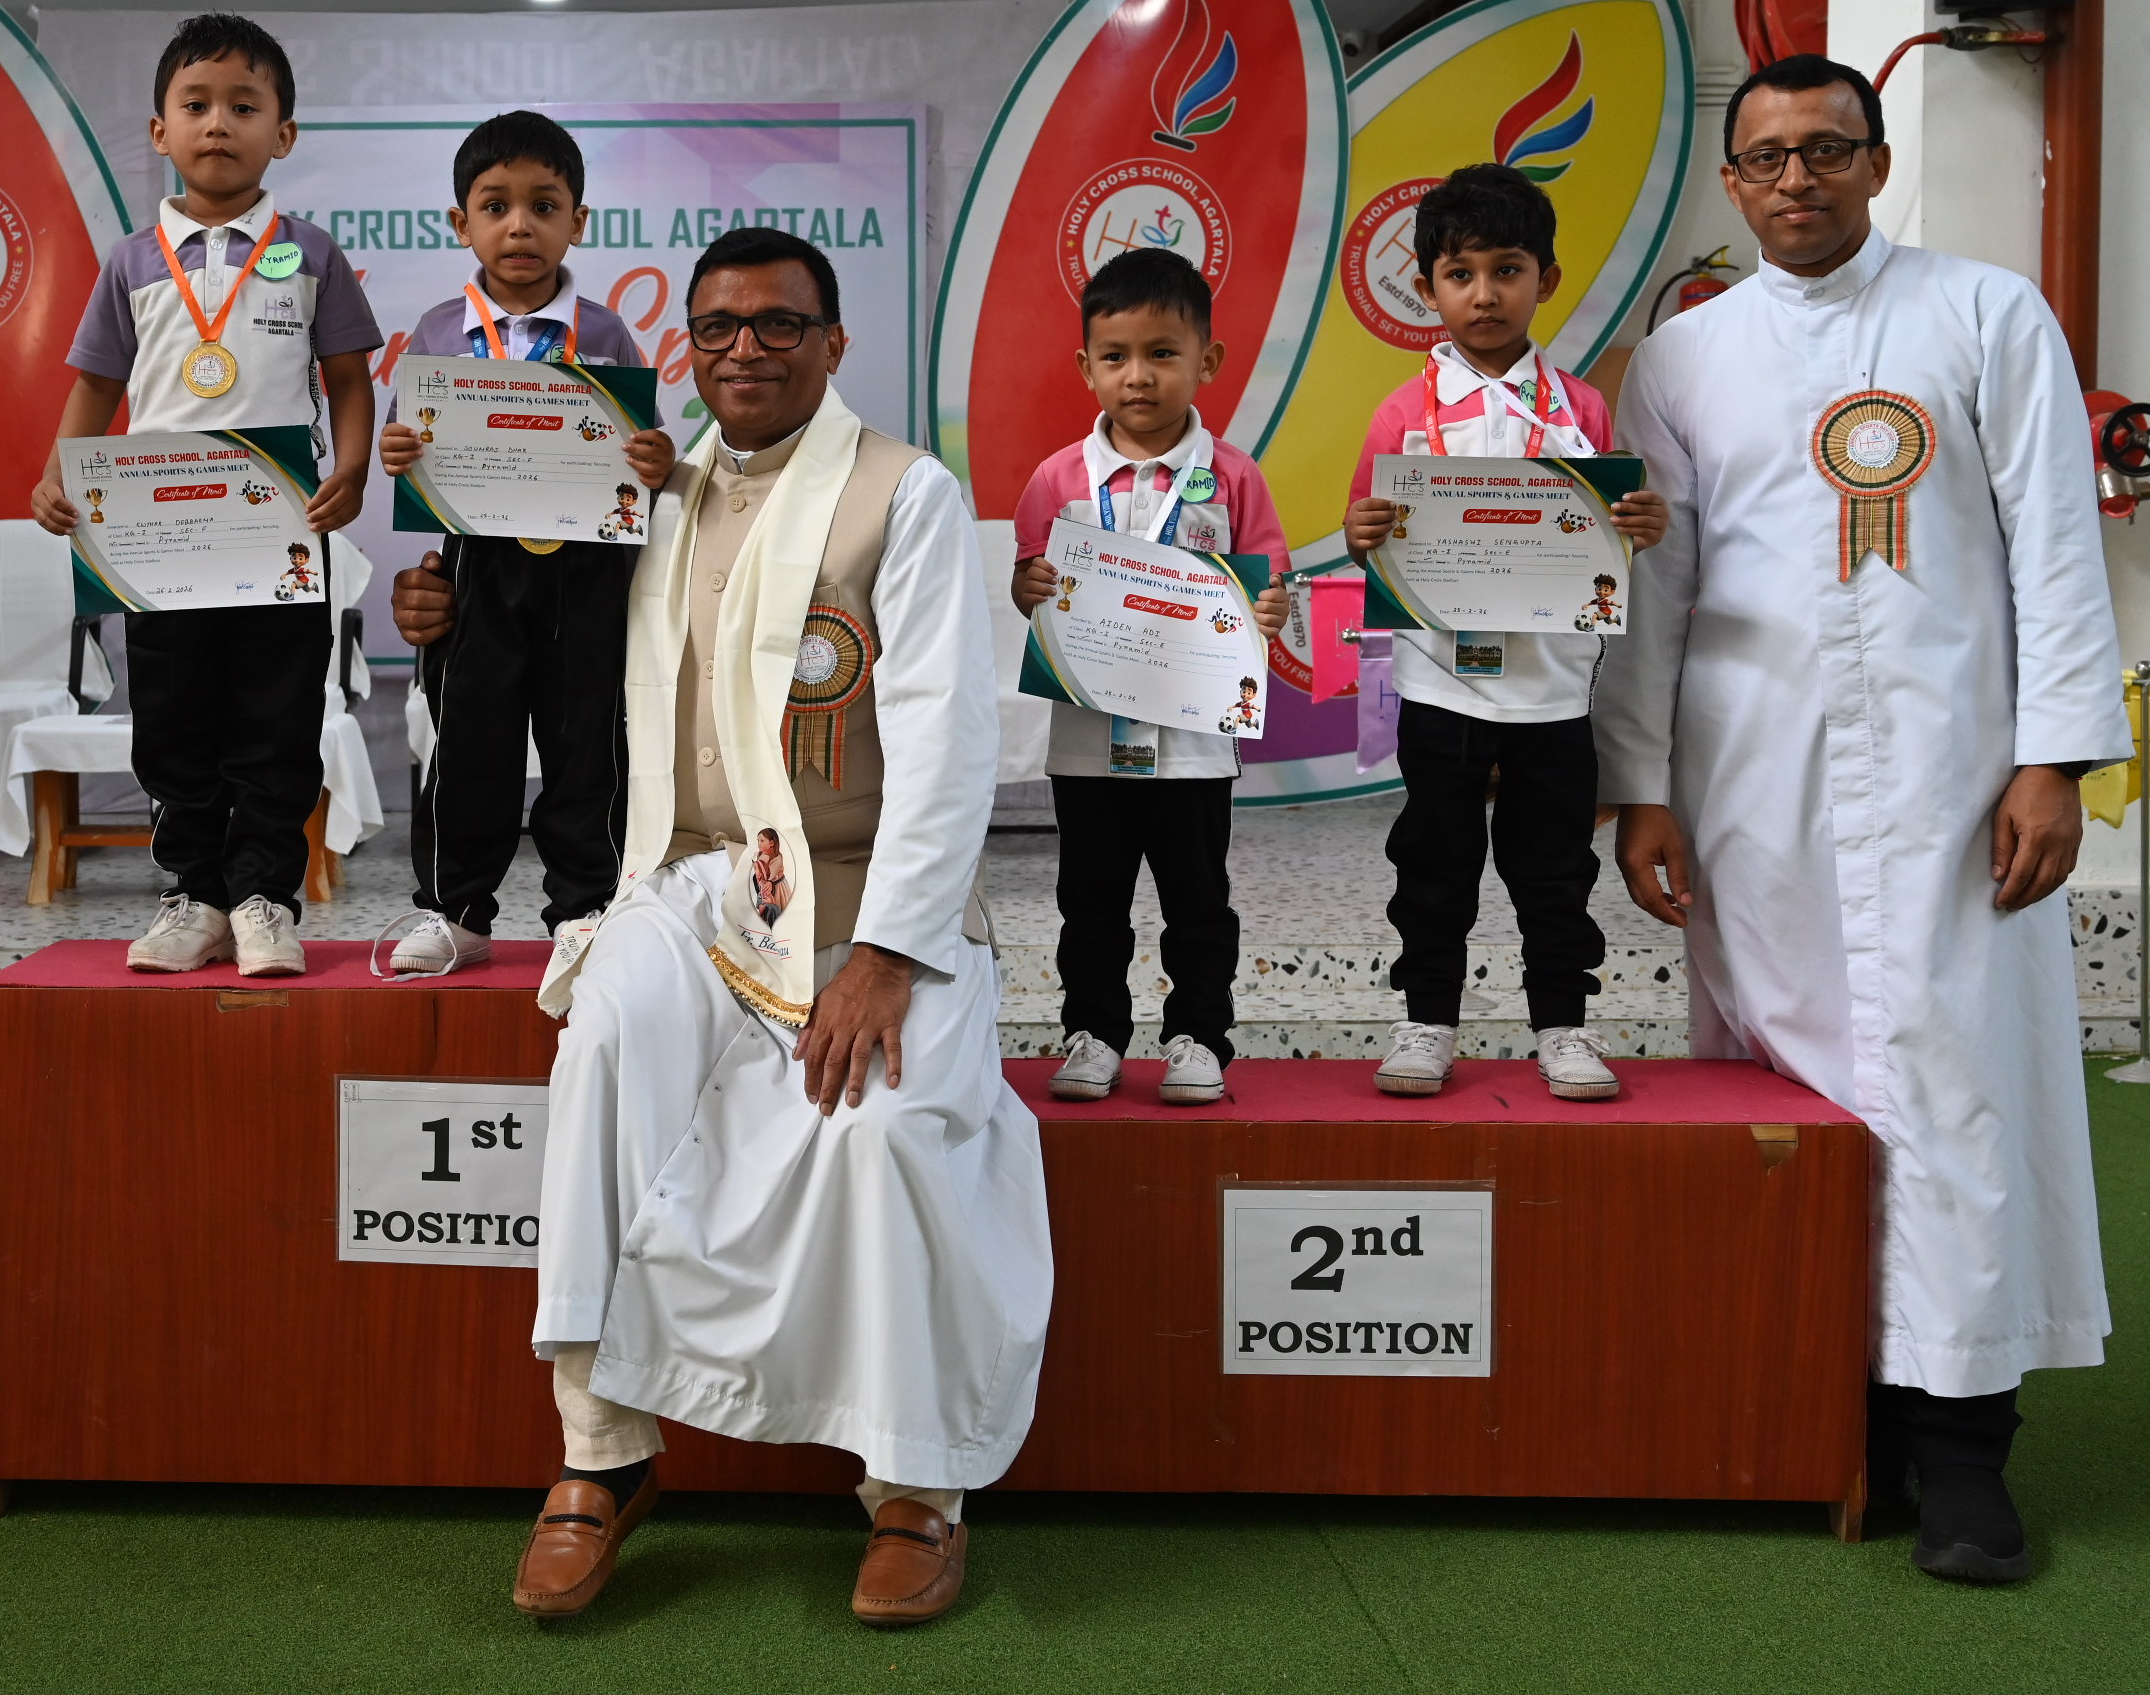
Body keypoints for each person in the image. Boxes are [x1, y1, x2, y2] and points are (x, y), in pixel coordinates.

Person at [429, 227, 1045, 1629]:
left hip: (873, 891)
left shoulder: (905, 492)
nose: (746, 349)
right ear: (688, 348)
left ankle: (915, 1489)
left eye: (779, 324)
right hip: (703, 880)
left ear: (834, 343)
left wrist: (888, 955)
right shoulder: (648, 486)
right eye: (718, 327)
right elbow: (536, 635)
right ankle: (601, 1452)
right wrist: (437, 612)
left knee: (886, 1130)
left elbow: (950, 742)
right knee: (602, 1043)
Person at [1595, 54, 2126, 1584]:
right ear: (1733, 182)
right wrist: (1640, 784)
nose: (1798, 180)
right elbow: (1654, 587)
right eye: (1767, 157)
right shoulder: (1683, 358)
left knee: (1955, 1092)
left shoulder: (1988, 315)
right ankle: (1822, 1416)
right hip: (1755, 784)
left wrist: (2056, 759)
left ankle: (1961, 1451)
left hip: (1960, 787)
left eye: (1827, 150)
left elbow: (2056, 545)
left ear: (1878, 164)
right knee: (1791, 1096)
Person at [32, 14, 382, 976]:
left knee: (277, 719)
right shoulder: (131, 260)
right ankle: (195, 894)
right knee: (174, 723)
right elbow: (96, 386)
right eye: (195, 104)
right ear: (161, 131)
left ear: (284, 133)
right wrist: (58, 473)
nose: (218, 122)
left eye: (244, 106)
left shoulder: (311, 253)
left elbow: (350, 381)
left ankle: (266, 898)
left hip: (280, 536)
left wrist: (351, 469)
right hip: (160, 543)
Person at [1341, 164, 1667, 1101]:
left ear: (1545, 279)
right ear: (1428, 287)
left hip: (1554, 691)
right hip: (1441, 685)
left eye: (1507, 270)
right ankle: (1427, 1023)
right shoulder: (1403, 413)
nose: (1484, 294)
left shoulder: (1582, 409)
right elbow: (1368, 535)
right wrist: (1362, 533)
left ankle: (1563, 1027)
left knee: (1555, 870)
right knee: (1433, 865)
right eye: (1460, 274)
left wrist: (1641, 525)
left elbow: (1607, 539)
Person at [376, 110, 671, 972]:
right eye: (495, 205)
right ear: (459, 222)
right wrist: (398, 448)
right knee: (470, 741)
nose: (519, 226)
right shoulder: (437, 332)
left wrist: (657, 460)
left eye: (544, 206)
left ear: (578, 221)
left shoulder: (605, 333)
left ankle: (585, 909)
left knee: (589, 744)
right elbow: (408, 435)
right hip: (477, 565)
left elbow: (645, 449)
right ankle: (454, 912)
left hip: (590, 566)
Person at [1008, 245, 1292, 1106]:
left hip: (1195, 746)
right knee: (1090, 901)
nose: (1139, 376)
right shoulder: (1057, 478)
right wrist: (1028, 588)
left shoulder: (1232, 475)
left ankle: (1199, 1038)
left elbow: (1270, 581)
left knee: (1198, 902)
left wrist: (1270, 607)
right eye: (1116, 356)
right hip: (1089, 740)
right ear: (1086, 366)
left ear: (1207, 359)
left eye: (1163, 353)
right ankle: (1093, 1033)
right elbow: (1030, 584)